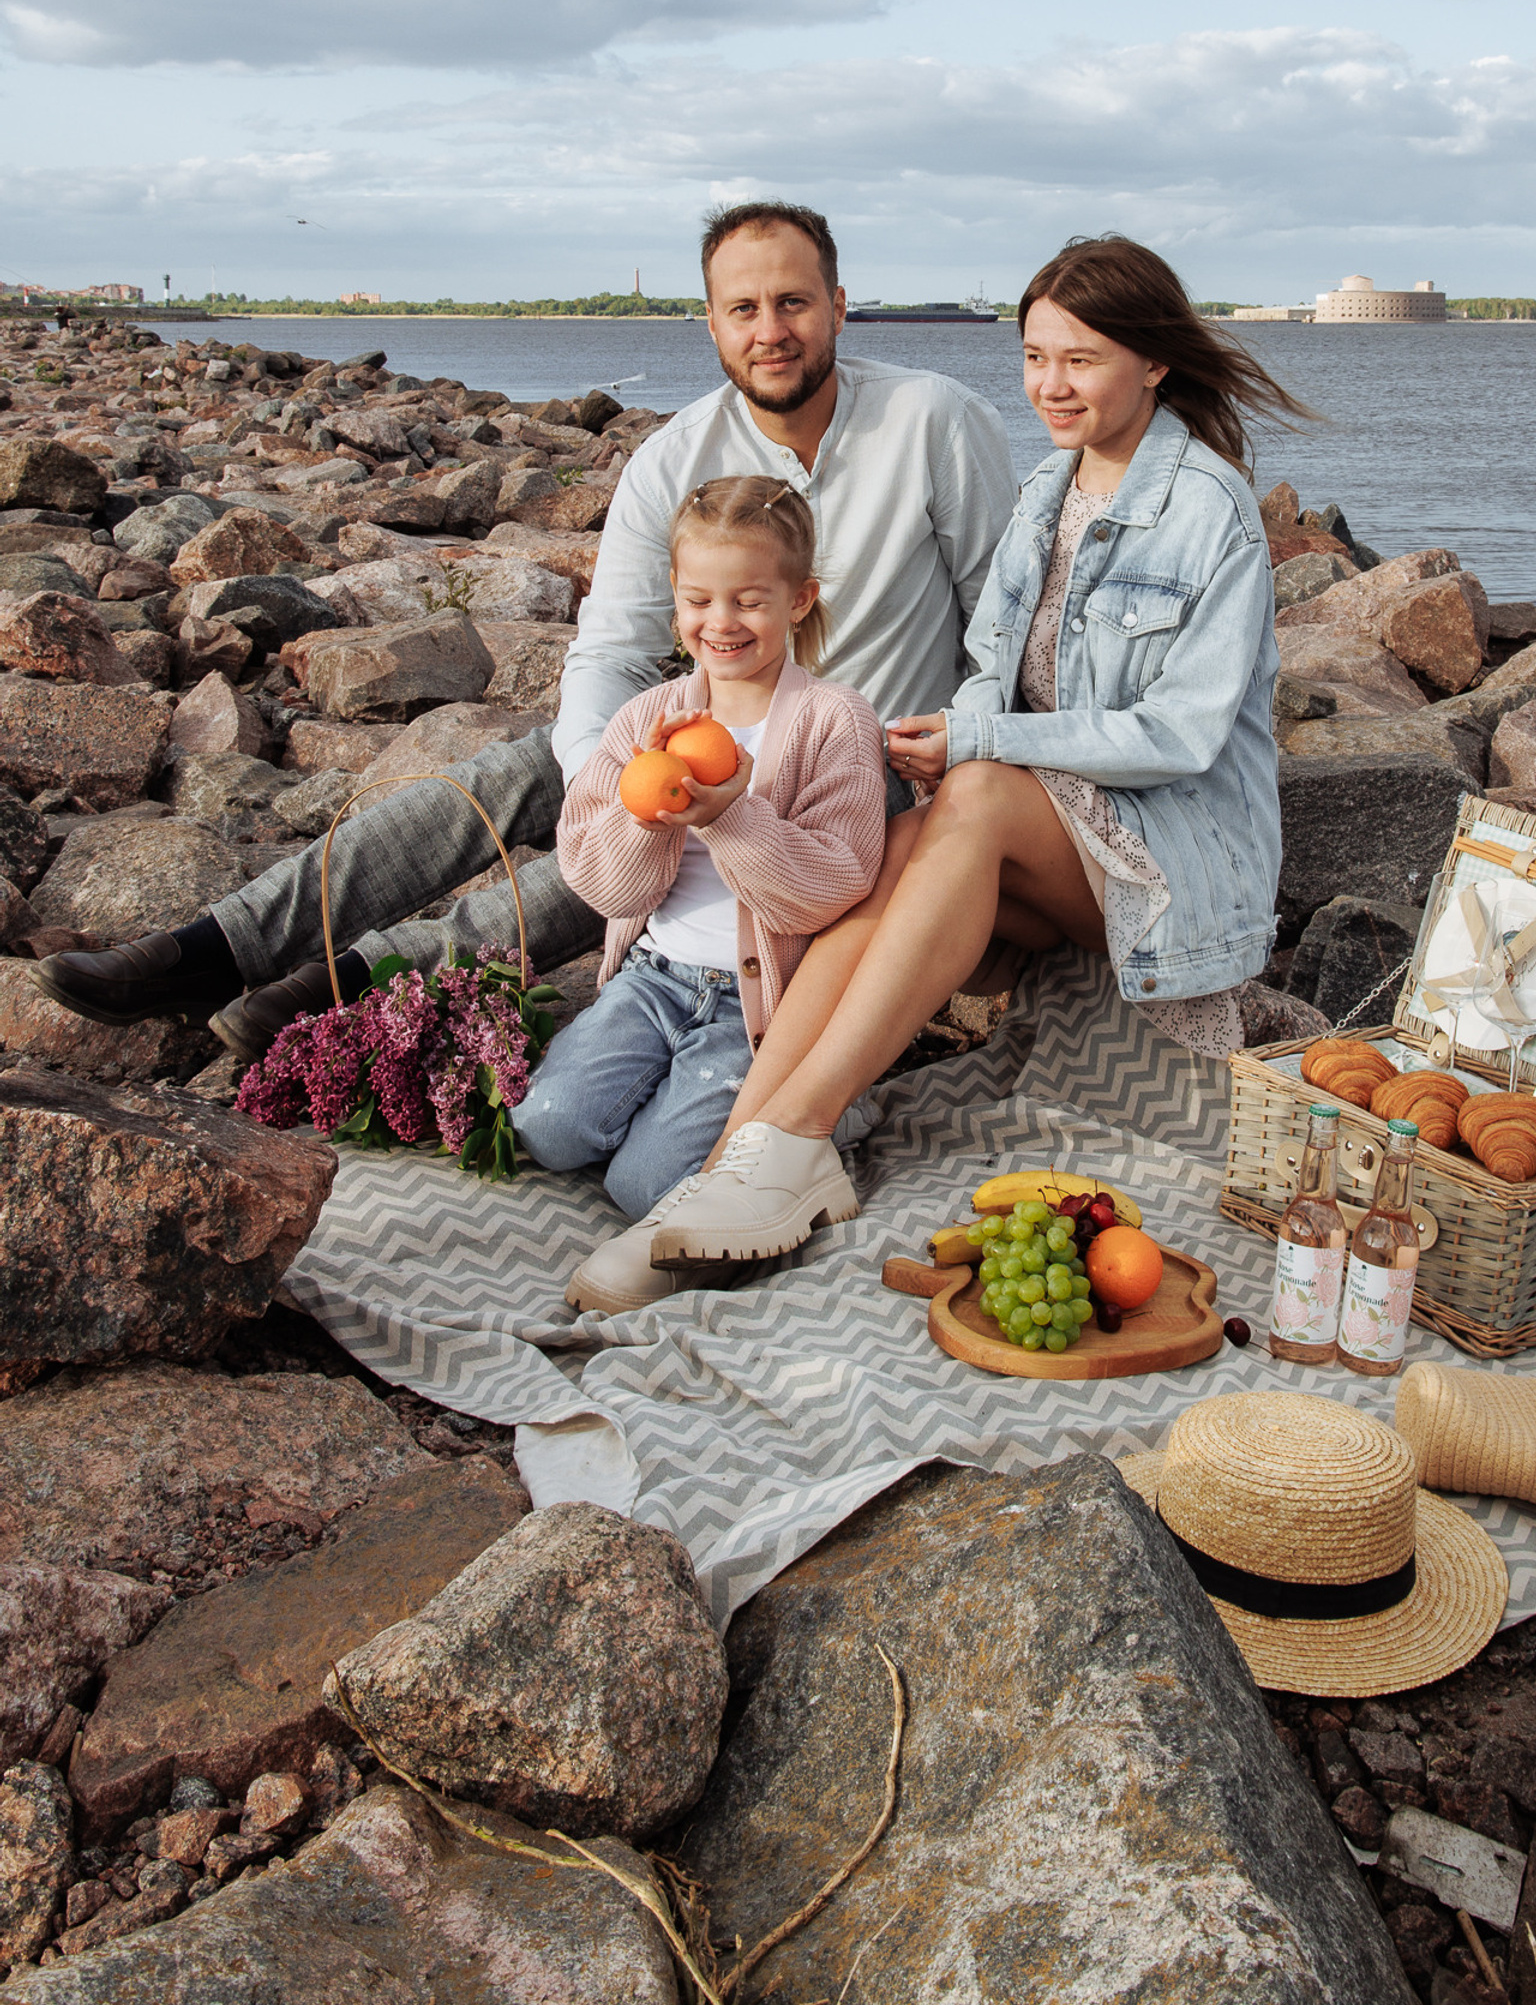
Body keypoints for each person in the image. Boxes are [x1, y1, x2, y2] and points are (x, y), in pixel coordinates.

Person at [34, 204, 1014, 1055]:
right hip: (720, 723)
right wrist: (606, 778)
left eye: (795, 302)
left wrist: (966, 744)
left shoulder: (936, 422)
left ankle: (350, 986)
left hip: (867, 769)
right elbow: (612, 647)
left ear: (839, 307)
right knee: (538, 770)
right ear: (711, 324)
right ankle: (218, 949)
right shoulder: (676, 456)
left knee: (651, 840)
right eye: (744, 308)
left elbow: (1006, 623)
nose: (773, 329)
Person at [644, 234, 1304, 1269]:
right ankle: (739, 1161)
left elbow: (1181, 735)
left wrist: (978, 740)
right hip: (1059, 839)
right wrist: (948, 739)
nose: (1051, 385)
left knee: (985, 787)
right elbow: (991, 664)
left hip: (1173, 861)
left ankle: (801, 1134)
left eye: (1080, 360)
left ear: (1155, 362)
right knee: (909, 840)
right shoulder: (1048, 491)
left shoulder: (1208, 512)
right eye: (1036, 357)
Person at [512, 475, 886, 1314]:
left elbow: (833, 887)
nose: (722, 623)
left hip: (755, 1008)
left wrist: (734, 819)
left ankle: (830, 1113)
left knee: (645, 1187)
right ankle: (659, 1094)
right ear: (676, 602)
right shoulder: (645, 718)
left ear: (800, 600)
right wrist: (651, 817)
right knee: (547, 1127)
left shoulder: (835, 721)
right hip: (654, 979)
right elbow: (598, 879)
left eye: (749, 600)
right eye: (699, 600)